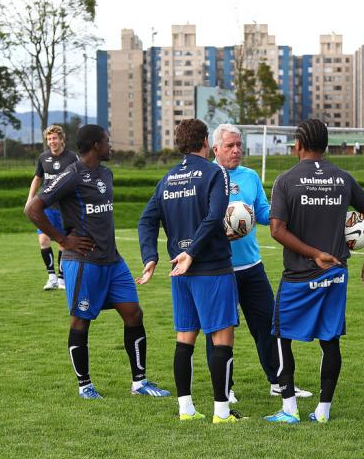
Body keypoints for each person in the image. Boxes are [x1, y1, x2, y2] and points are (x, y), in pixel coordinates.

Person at [24, 124, 170, 400]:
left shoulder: (106, 173)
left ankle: (139, 382)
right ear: (94, 146)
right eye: (107, 141)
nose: (110, 146)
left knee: (134, 313)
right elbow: (32, 209)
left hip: (112, 260)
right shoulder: (72, 175)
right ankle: (85, 385)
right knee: (80, 322)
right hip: (82, 261)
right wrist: (62, 240)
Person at [265, 119, 364, 424]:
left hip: (299, 276)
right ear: (326, 146)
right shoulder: (342, 178)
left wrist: (314, 254)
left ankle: (289, 409)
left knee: (280, 336)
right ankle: (323, 411)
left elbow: (277, 230)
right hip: (335, 275)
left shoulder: (286, 180)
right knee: (330, 341)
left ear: (299, 145)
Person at [137, 118, 244, 423]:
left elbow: (146, 221)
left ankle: (186, 410)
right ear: (206, 142)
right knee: (222, 339)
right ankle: (222, 413)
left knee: (185, 339)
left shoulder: (168, 179)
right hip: (211, 268)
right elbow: (214, 217)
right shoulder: (215, 172)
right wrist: (192, 252)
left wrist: (150, 256)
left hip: (179, 273)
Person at [207, 123, 312, 401]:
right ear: (215, 148)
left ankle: (279, 381)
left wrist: (284, 213)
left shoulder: (250, 176)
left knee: (269, 324)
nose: (236, 150)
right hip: (218, 269)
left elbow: (264, 212)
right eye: (230, 145)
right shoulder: (206, 176)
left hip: (251, 266)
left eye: (239, 145)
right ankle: (224, 388)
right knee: (219, 330)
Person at [26, 124, 79, 290]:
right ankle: (51, 277)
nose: (52, 141)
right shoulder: (43, 158)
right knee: (43, 239)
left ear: (62, 139)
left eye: (54, 138)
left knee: (63, 243)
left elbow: (80, 177)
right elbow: (37, 178)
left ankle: (62, 279)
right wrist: (30, 199)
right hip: (46, 206)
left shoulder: (72, 158)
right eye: (49, 139)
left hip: (64, 208)